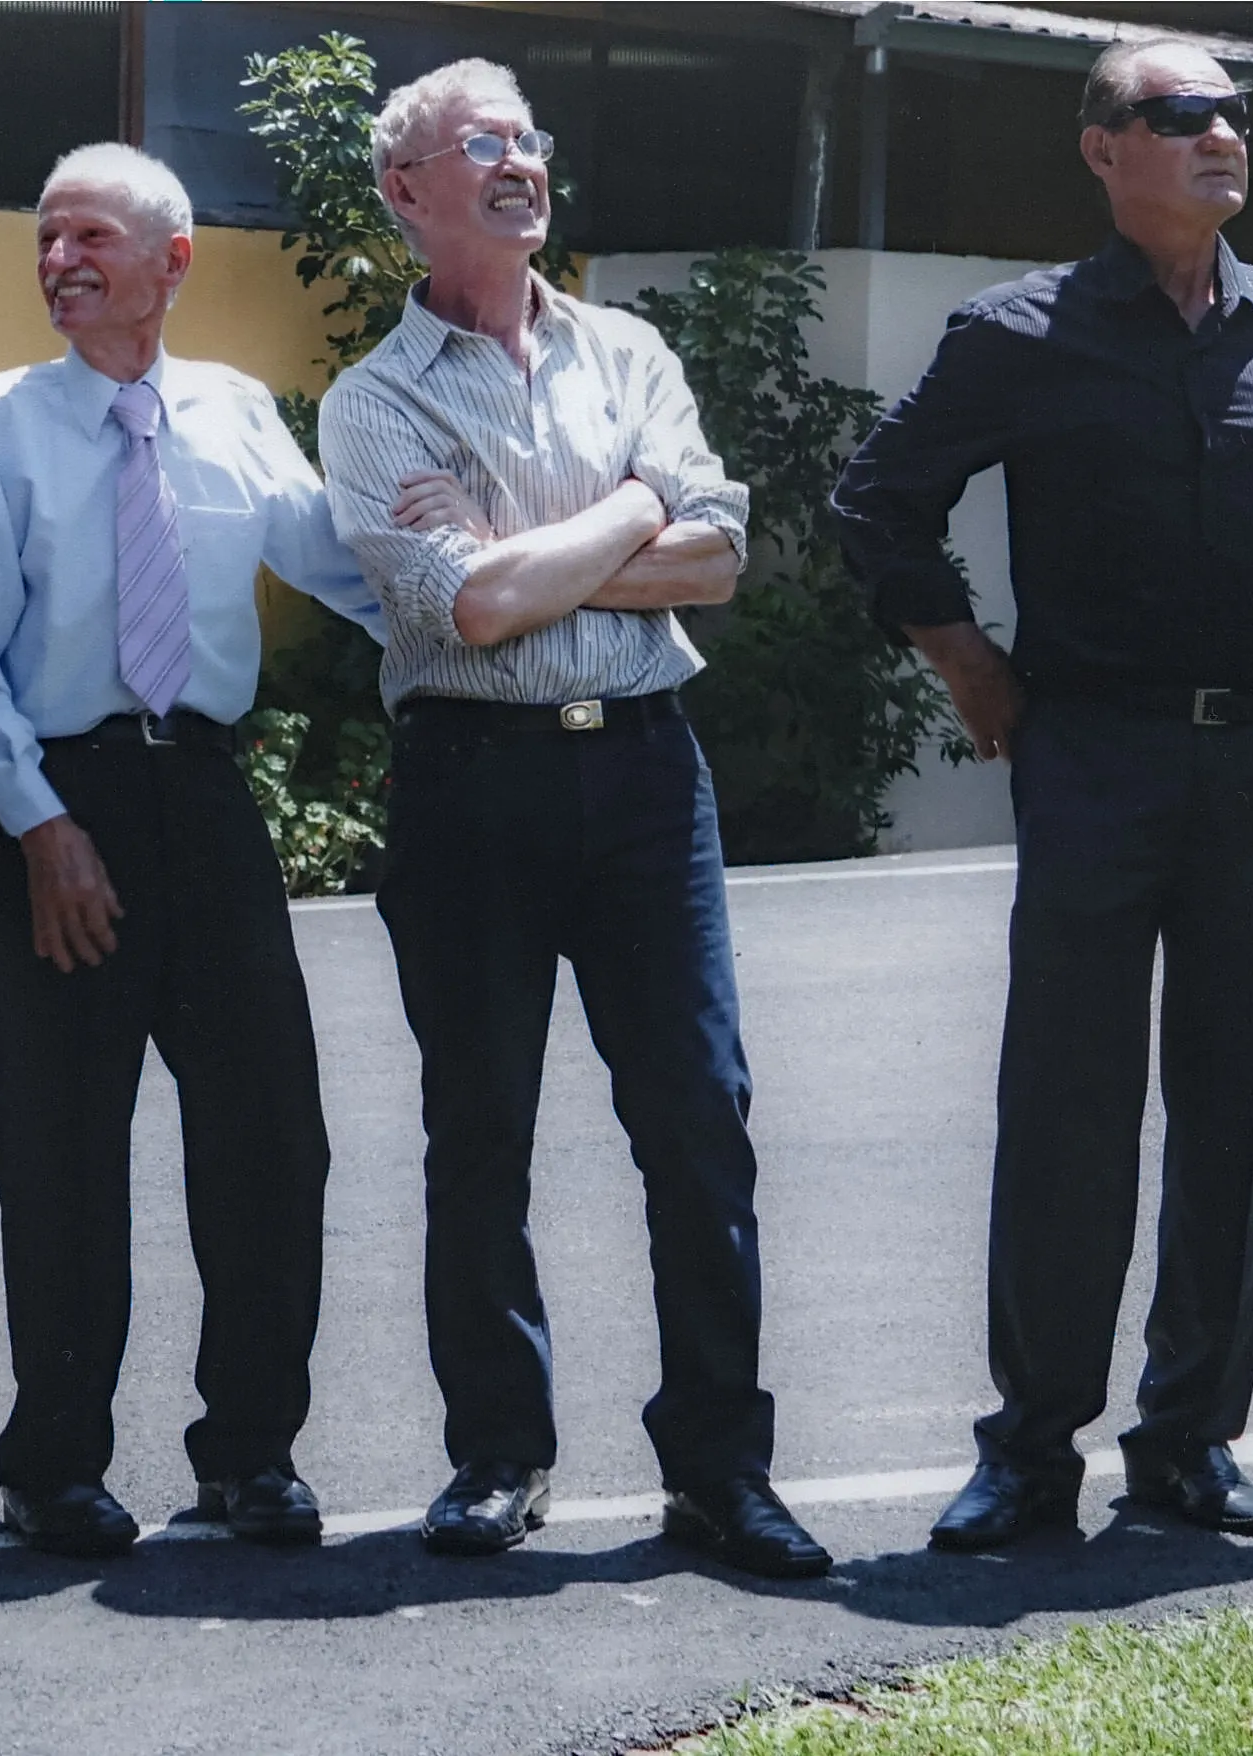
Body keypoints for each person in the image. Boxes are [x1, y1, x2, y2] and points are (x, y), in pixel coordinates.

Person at [834, 39, 1253, 1552]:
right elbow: (879, 502)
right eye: (1179, 114)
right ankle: (1030, 1450)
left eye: (1233, 112)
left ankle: (1191, 1441)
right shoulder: (1018, 335)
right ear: (1102, 149)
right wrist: (963, 658)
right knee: (1068, 1109)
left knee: (1232, 1106)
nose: (1219, 133)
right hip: (1095, 756)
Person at [317, 60, 830, 1578]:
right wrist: (629, 508)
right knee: (480, 1130)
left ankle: (722, 1473)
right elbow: (466, 606)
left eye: (530, 137)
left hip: (647, 776)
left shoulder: (630, 350)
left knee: (699, 1125)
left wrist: (550, 552)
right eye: (484, 142)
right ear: (408, 193)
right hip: (474, 783)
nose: (523, 160)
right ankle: (499, 1455)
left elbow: (721, 557)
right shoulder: (374, 398)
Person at [0, 144, 383, 1555]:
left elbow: (339, 564)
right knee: (63, 1151)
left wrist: (483, 589)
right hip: (58, 808)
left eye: (92, 239)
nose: (61, 259)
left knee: (271, 1138)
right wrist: (42, 828)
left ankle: (251, 1452)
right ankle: (54, 1464)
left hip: (204, 798)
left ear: (172, 264)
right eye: (47, 237)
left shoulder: (236, 412)